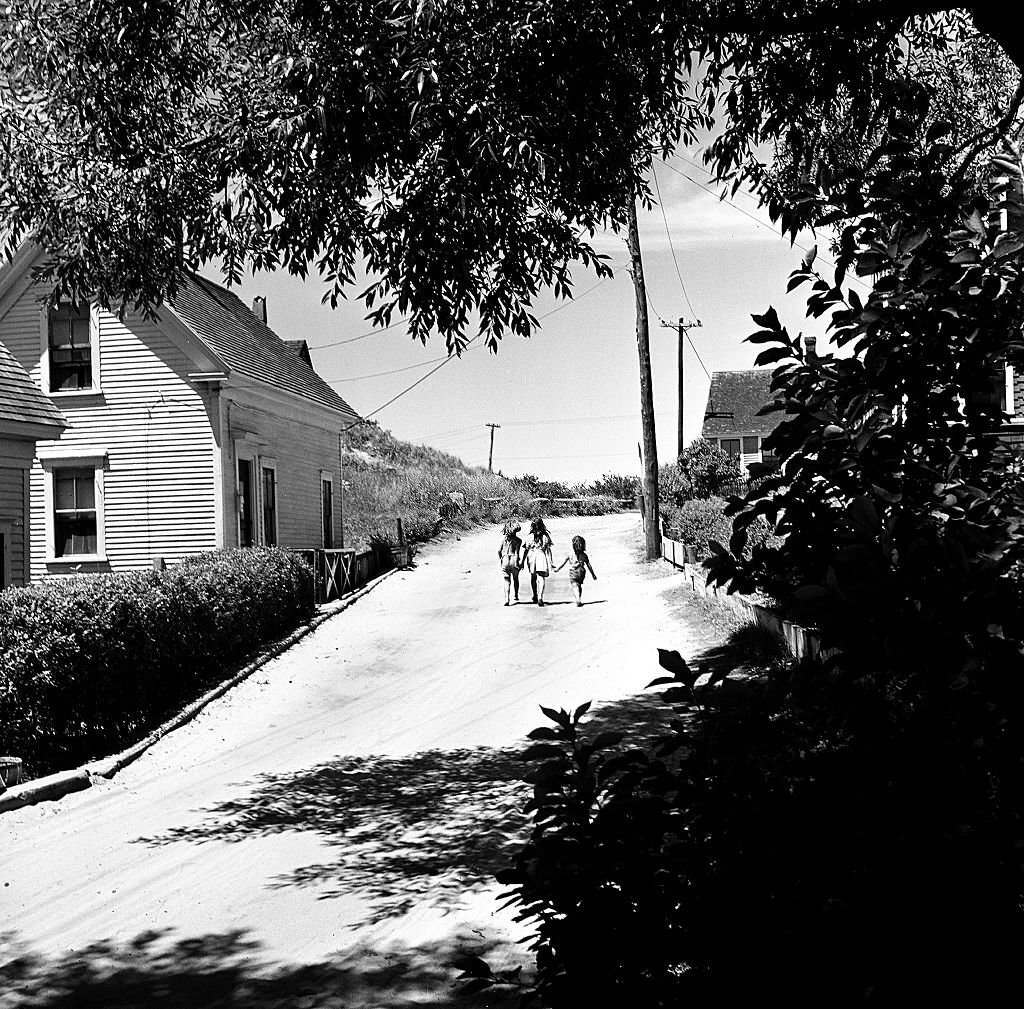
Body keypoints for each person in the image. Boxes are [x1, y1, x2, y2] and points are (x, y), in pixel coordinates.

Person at [555, 534, 597, 606]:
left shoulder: (570, 553)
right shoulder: (584, 555)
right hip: (581, 572)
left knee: (574, 585)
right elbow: (589, 565)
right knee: (579, 585)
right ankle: (579, 599)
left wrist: (558, 569)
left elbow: (563, 562)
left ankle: (577, 598)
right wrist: (593, 574)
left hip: (573, 572)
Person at [522, 517, 554, 606]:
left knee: (533, 577)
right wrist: (551, 562)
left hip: (531, 556)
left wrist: (522, 562)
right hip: (541, 555)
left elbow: (525, 550)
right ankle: (540, 596)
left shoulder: (529, 536)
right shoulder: (545, 536)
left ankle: (535, 595)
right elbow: (548, 550)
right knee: (541, 577)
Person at [498, 521, 523, 605]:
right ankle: (516, 595)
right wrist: (517, 563)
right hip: (513, 559)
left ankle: (507, 599)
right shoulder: (518, 540)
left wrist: (501, 559)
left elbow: (499, 551)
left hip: (505, 559)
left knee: (506, 580)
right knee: (515, 579)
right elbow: (517, 552)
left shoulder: (503, 540)